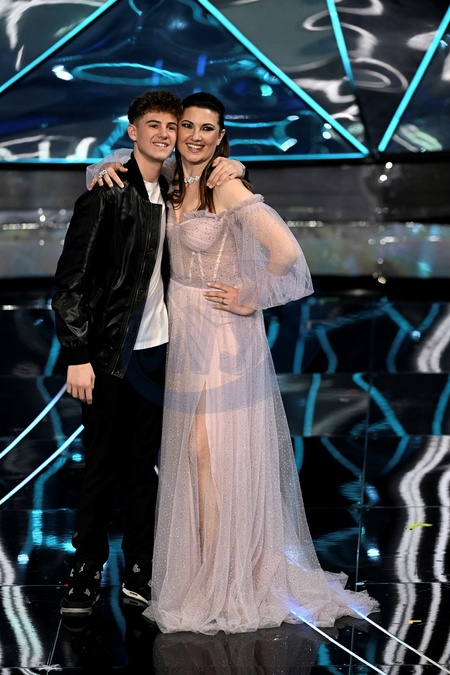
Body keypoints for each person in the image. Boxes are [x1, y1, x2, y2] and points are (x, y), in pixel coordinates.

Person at [89, 92, 379, 635]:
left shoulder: (226, 185)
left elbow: (287, 253)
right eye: (187, 126)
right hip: (183, 331)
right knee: (193, 457)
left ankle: (228, 576)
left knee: (212, 452)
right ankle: (210, 564)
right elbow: (120, 168)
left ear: (221, 136)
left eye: (208, 129)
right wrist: (105, 166)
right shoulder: (172, 180)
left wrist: (251, 296)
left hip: (223, 333)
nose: (195, 136)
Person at [52, 89, 244, 617]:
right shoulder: (108, 192)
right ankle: (86, 570)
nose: (165, 134)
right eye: (153, 125)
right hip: (109, 354)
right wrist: (77, 354)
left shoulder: (177, 189)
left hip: (160, 352)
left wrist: (239, 166)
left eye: (171, 126)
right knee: (100, 468)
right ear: (132, 131)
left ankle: (140, 568)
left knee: (143, 468)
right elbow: (69, 283)